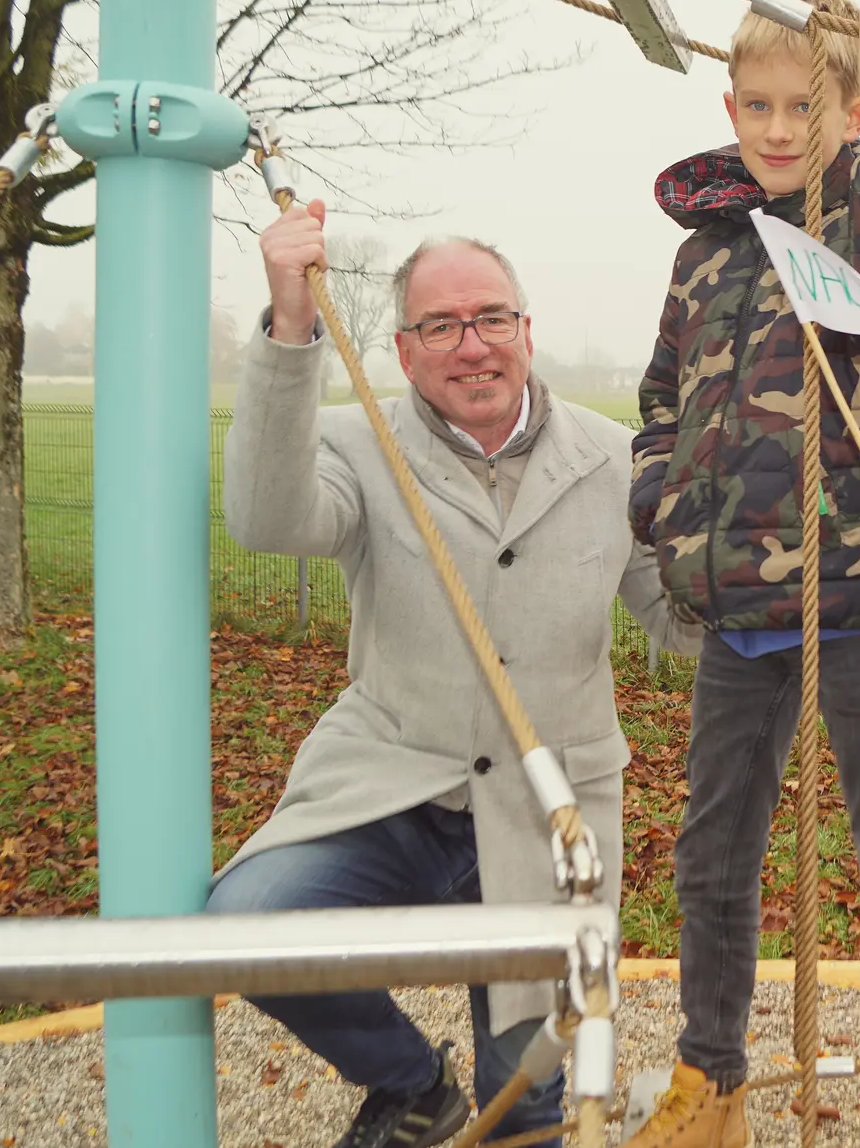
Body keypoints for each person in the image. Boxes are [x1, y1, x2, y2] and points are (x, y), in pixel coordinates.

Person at [211, 212, 700, 1148]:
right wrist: (289, 319)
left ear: (527, 329)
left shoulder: (614, 458)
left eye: (492, 319)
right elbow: (269, 518)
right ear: (401, 348)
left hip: (548, 809)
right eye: (441, 326)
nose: (471, 346)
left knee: (534, 1100)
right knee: (250, 923)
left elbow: (680, 623)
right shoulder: (361, 444)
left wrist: (761, 549)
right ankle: (415, 1087)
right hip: (392, 783)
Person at [626, 0, 860, 1148]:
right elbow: (658, 397)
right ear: (730, 109)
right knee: (711, 857)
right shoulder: (704, 254)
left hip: (859, 604)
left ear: (841, 113)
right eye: (761, 108)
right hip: (736, 609)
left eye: (808, 108)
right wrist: (657, 501)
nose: (781, 132)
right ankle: (711, 1079)